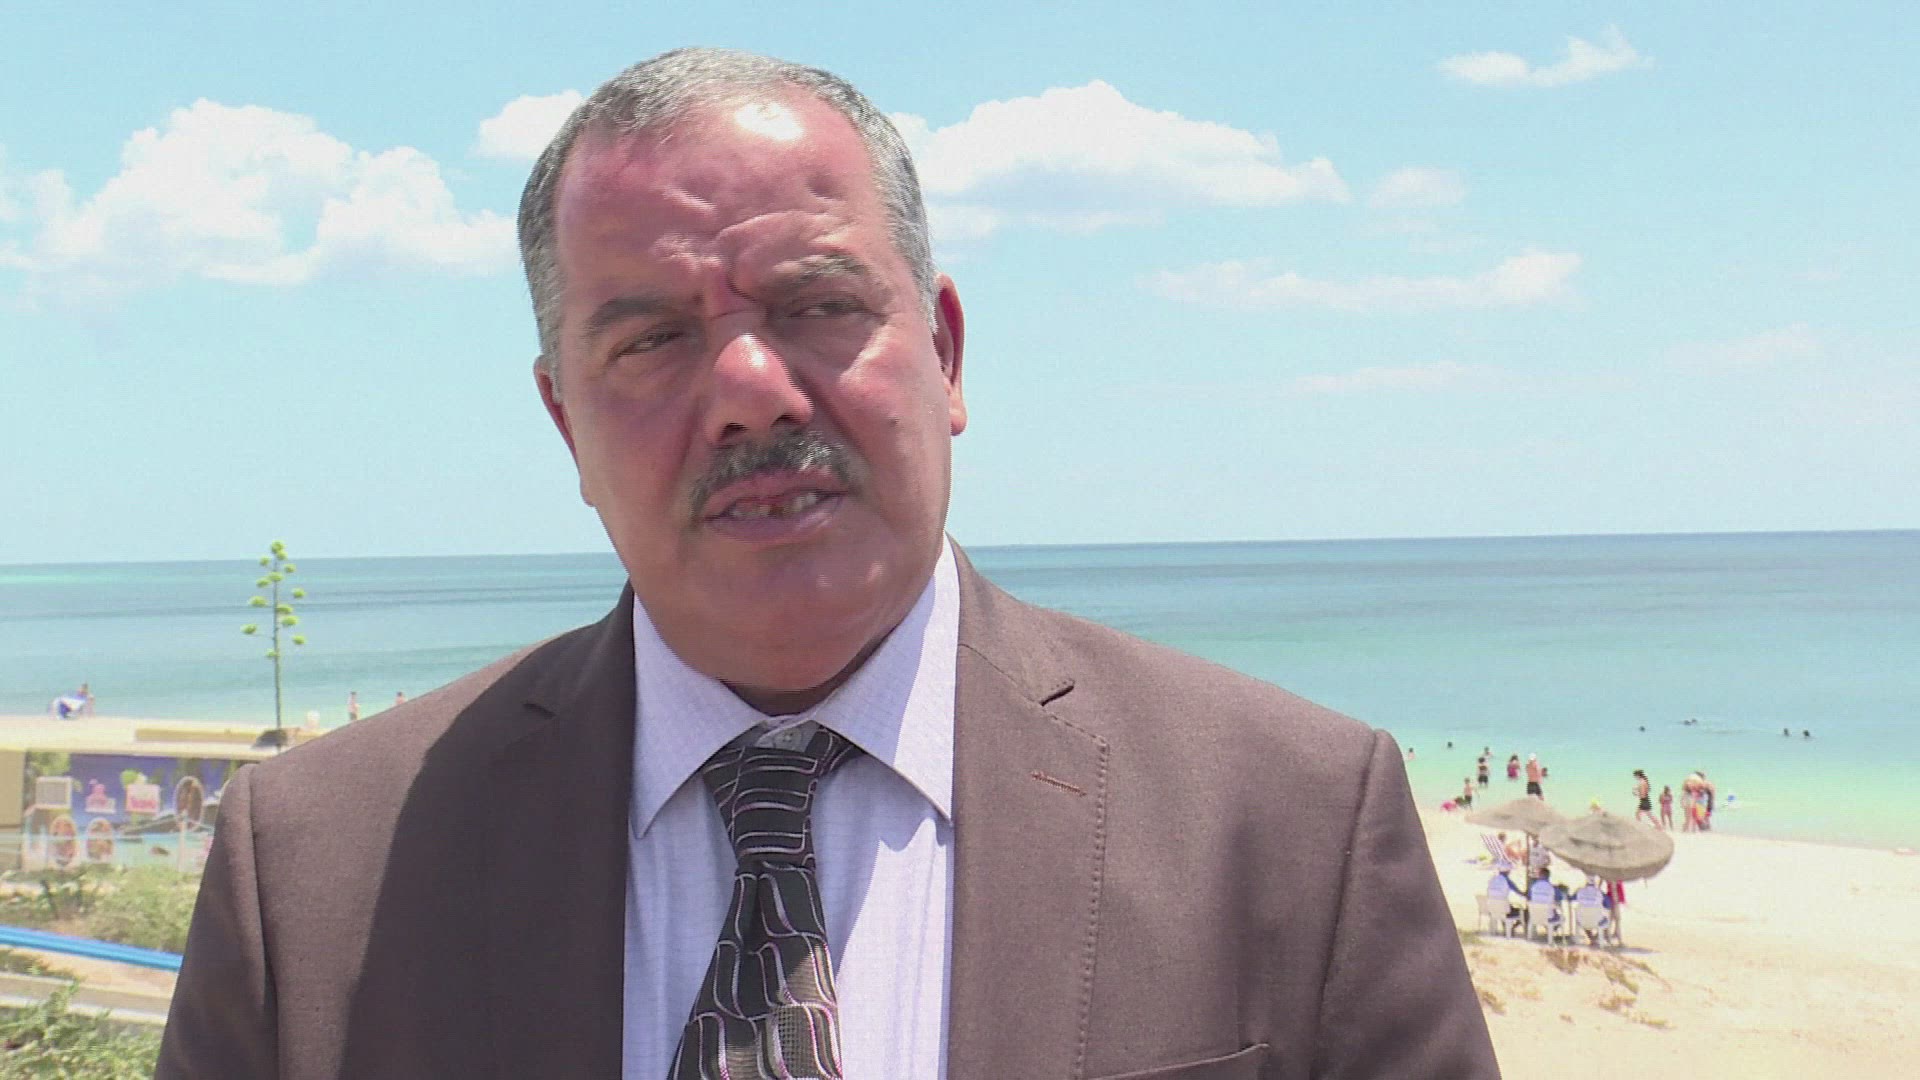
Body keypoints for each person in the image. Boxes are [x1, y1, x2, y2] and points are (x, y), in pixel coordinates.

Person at [156, 48, 1497, 1079]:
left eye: (817, 304)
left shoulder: (1290, 825)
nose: (751, 390)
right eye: (652, 340)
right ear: (566, 421)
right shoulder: (316, 876)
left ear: (946, 354)